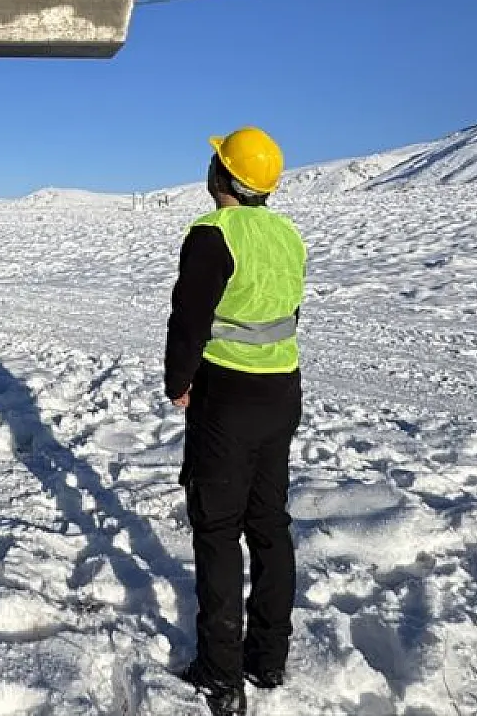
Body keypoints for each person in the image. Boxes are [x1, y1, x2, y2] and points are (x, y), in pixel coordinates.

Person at [164, 127, 306, 715]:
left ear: (223, 176)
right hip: (282, 391)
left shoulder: (212, 234)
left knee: (218, 529)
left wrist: (178, 382)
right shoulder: (287, 235)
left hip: (228, 395)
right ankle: (267, 658)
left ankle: (220, 674)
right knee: (269, 522)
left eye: (214, 161)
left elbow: (189, 320)